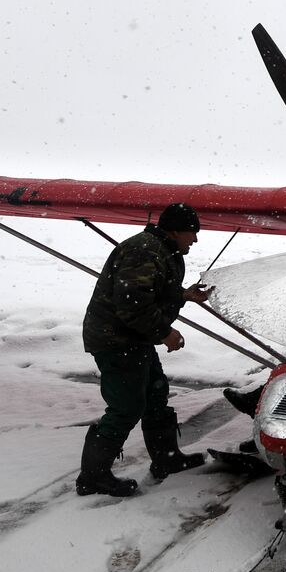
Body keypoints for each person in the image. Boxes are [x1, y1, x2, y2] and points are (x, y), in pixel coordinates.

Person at [77, 203, 214, 497]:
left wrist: (184, 295)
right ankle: (92, 477)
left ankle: (166, 460)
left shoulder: (160, 249)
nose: (195, 239)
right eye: (192, 232)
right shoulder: (145, 251)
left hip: (133, 338)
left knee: (155, 393)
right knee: (126, 406)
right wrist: (164, 332)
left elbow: (152, 290)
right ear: (175, 230)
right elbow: (132, 303)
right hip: (115, 340)